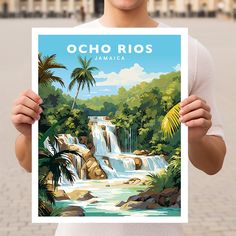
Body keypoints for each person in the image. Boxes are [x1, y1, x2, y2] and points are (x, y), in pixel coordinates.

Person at [12, 0, 226, 235]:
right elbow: (28, 164)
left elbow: (213, 164)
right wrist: (29, 133)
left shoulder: (191, 51)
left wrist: (196, 139)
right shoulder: (59, 47)